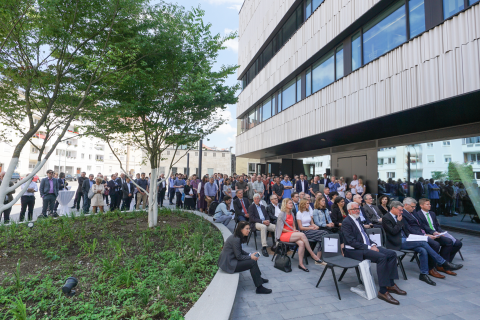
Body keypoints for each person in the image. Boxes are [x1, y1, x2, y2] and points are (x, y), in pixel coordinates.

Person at [382, 201, 461, 286]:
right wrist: (399, 221)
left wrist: (412, 236)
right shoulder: (386, 217)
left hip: (407, 239)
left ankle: (423, 274)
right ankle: (443, 262)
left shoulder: (400, 216)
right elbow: (393, 232)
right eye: (400, 210)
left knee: (423, 250)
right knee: (423, 243)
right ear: (393, 208)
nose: (401, 212)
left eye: (402, 210)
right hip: (396, 242)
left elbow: (406, 230)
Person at [343, 201, 405, 305]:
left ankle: (390, 284)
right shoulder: (346, 222)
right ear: (349, 211)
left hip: (366, 247)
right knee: (382, 257)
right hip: (354, 250)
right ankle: (383, 291)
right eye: (355, 209)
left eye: (358, 208)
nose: (357, 210)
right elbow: (351, 242)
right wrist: (369, 247)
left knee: (391, 254)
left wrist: (373, 244)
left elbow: (365, 237)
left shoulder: (358, 220)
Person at [217, 221, 272, 294]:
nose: (249, 231)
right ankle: (259, 288)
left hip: (231, 260)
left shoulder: (237, 237)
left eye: (249, 229)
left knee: (253, 259)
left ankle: (259, 279)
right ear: (241, 229)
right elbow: (239, 256)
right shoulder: (236, 239)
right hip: (229, 264)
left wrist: (250, 255)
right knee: (252, 262)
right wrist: (251, 257)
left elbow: (240, 251)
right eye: (247, 229)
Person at [276, 198, 322, 272]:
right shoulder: (282, 214)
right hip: (283, 234)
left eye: (291, 203)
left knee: (301, 243)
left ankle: (301, 264)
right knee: (302, 235)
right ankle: (313, 254)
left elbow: (294, 225)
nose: (291, 204)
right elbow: (280, 229)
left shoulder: (292, 213)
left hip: (291, 233)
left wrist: (294, 230)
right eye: (289, 203)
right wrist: (293, 231)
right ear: (285, 205)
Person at [417, 198, 463, 266]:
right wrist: (434, 232)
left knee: (458, 243)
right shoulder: (418, 214)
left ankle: (447, 262)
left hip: (437, 233)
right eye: (427, 204)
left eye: (430, 204)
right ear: (421, 205)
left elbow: (437, 225)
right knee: (448, 242)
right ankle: (444, 264)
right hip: (429, 235)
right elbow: (424, 226)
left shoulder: (432, 213)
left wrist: (441, 232)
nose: (430, 205)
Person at [296, 199, 328, 264]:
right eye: (307, 203)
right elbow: (301, 227)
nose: (308, 205)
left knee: (323, 236)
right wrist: (310, 228)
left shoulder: (308, 212)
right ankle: (318, 258)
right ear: (303, 204)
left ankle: (318, 258)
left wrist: (315, 226)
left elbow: (312, 223)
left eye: (308, 203)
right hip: (304, 232)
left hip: (310, 229)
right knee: (325, 234)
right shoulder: (299, 213)